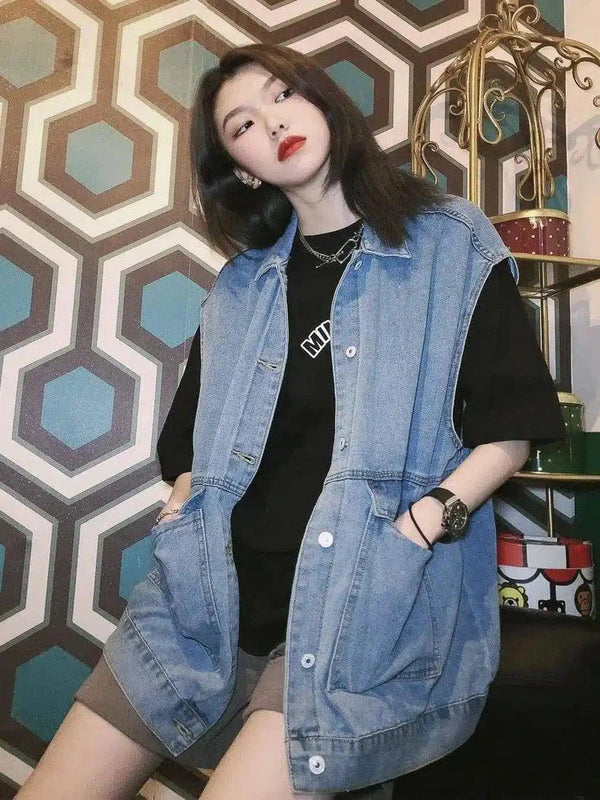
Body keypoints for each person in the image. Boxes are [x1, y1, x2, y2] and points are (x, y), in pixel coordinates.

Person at [16, 43, 565, 800]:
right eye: (242, 124)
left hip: (358, 610)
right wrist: (182, 506)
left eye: (282, 95)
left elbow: (512, 424)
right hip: (204, 602)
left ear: (322, 102)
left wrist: (423, 524)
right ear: (242, 169)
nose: (272, 123)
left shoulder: (448, 241)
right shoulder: (241, 286)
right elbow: (186, 443)